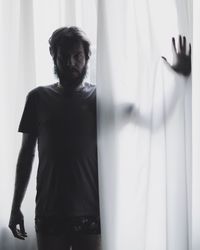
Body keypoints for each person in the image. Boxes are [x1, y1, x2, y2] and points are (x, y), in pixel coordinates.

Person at [8, 27, 191, 250]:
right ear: (54, 57)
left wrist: (180, 81)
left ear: (87, 58)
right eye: (64, 56)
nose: (70, 63)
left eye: (77, 56)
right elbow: (26, 153)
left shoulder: (101, 99)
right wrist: (15, 205)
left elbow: (152, 121)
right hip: (49, 211)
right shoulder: (38, 98)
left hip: (91, 212)